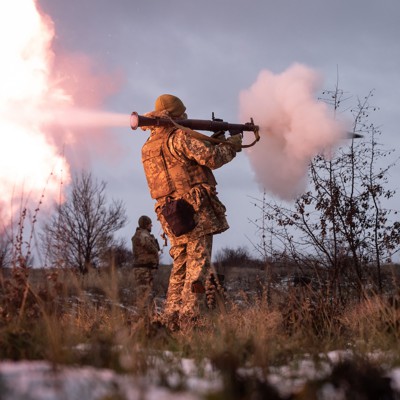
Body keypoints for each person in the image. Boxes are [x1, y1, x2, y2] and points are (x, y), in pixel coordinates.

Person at [140, 94, 242, 330]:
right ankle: (190, 318)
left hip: (169, 213)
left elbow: (182, 165)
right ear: (177, 114)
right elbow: (212, 159)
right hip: (194, 209)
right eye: (182, 113)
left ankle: (171, 317)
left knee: (181, 265)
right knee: (199, 265)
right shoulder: (179, 137)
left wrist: (213, 140)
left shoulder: (148, 146)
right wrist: (232, 145)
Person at [131, 215, 160, 314]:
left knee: (145, 295)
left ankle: (147, 319)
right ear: (146, 224)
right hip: (143, 270)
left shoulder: (142, 234)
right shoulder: (143, 235)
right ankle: (142, 321)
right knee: (143, 296)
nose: (151, 225)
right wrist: (155, 244)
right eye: (150, 224)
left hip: (145, 269)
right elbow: (151, 247)